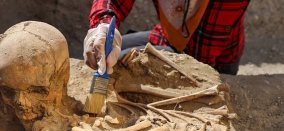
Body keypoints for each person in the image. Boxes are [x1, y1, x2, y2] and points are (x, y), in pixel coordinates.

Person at [83, 0, 250, 75]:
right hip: (169, 36)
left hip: (211, 54)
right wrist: (103, 26)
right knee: (99, 53)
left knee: (120, 64)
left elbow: (201, 60)